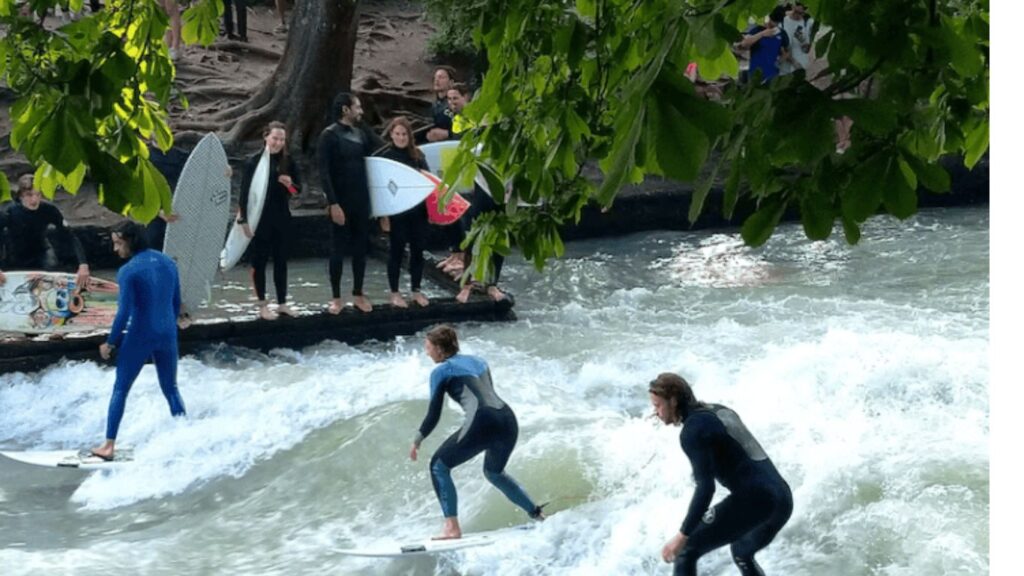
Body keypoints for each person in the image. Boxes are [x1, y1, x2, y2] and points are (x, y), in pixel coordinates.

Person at [649, 373, 793, 576]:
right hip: (783, 498)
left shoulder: (692, 431)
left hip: (757, 499)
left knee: (686, 551)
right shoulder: (718, 410)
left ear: (673, 401)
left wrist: (682, 535)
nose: (656, 412)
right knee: (742, 552)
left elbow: (706, 488)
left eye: (658, 405)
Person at [409, 325, 544, 539]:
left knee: (438, 466)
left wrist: (418, 439)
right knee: (494, 473)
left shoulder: (441, 371)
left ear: (439, 349)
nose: (426, 352)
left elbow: (434, 413)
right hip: (507, 419)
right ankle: (537, 515)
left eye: (428, 347)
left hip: (482, 420)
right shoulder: (480, 361)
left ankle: (451, 528)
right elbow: (488, 394)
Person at [91, 220, 187, 461]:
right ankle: (187, 439)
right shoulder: (168, 262)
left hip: (141, 335)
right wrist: (167, 326)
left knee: (121, 388)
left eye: (118, 243)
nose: (116, 250)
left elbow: (123, 314)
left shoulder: (128, 271)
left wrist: (110, 342)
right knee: (171, 388)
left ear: (130, 241)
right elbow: (176, 303)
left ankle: (108, 446)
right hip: (167, 334)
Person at [317, 92, 385, 314]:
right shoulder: (328, 136)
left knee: (360, 248)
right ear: (345, 109)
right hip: (340, 201)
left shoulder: (361, 133)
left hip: (361, 200)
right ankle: (336, 297)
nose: (361, 111)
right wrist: (333, 203)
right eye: (357, 107)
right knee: (337, 249)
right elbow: (324, 172)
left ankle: (358, 292)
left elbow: (381, 151)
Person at [237, 121, 301, 320]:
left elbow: (297, 192)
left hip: (281, 217)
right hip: (259, 219)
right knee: (260, 262)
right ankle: (262, 305)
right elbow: (244, 194)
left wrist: (290, 184)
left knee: (281, 261)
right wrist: (244, 221)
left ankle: (282, 303)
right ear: (266, 136)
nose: (278, 143)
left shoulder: (288, 162)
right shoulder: (253, 161)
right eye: (275, 138)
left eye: (282, 139)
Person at [0, 174, 91, 290]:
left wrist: (83, 264)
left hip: (42, 253)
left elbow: (70, 236)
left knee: (51, 267)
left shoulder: (49, 210)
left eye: (38, 195)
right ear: (20, 196)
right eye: (29, 195)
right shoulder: (9, 212)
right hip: (14, 256)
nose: (34, 200)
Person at [380, 116, 431, 308]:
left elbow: (428, 182)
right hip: (397, 213)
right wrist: (383, 215)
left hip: (418, 211)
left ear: (409, 136)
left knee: (418, 252)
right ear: (391, 135)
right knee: (396, 252)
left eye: (404, 134)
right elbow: (381, 189)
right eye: (397, 134)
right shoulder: (385, 157)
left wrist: (434, 213)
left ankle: (416, 290)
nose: (401, 138)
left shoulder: (418, 155)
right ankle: (394, 292)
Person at [739, 5, 790, 84]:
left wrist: (778, 61)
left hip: (771, 75)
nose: (773, 24)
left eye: (776, 22)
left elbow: (786, 52)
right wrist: (762, 34)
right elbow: (744, 44)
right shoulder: (757, 30)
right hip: (754, 73)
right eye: (772, 20)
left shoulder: (782, 34)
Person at [779, 3, 815, 76]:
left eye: (800, 13)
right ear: (792, 7)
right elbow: (779, 45)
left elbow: (806, 50)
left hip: (800, 65)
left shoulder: (808, 22)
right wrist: (793, 61)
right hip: (784, 66)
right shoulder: (782, 20)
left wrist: (802, 40)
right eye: (795, 12)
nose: (797, 15)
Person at [424, 66, 456, 143]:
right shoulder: (433, 106)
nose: (437, 80)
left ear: (451, 82)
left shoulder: (456, 103)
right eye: (435, 78)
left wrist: (448, 134)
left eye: (441, 77)